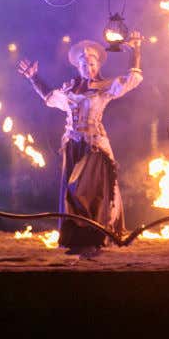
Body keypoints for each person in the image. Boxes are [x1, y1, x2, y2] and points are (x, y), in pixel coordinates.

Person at [18, 32, 143, 256]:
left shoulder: (105, 87)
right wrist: (34, 78)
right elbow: (50, 98)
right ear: (78, 67)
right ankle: (77, 239)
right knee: (72, 192)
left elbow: (132, 78)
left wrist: (136, 50)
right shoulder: (69, 90)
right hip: (72, 145)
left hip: (94, 146)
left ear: (98, 65)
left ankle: (95, 237)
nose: (89, 68)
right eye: (84, 64)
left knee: (84, 190)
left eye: (92, 64)